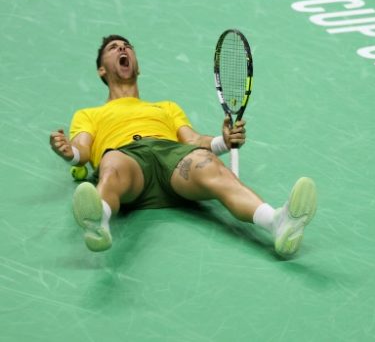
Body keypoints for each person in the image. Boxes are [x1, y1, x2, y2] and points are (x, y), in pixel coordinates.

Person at [49, 35, 317, 259]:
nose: (123, 48)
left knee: (209, 163)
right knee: (112, 165)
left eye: (127, 46)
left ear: (137, 67)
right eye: (113, 47)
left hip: (173, 161)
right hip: (128, 160)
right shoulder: (89, 114)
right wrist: (69, 154)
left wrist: (223, 141)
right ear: (101, 70)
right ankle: (99, 222)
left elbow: (192, 140)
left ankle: (277, 222)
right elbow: (81, 151)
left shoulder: (166, 107)